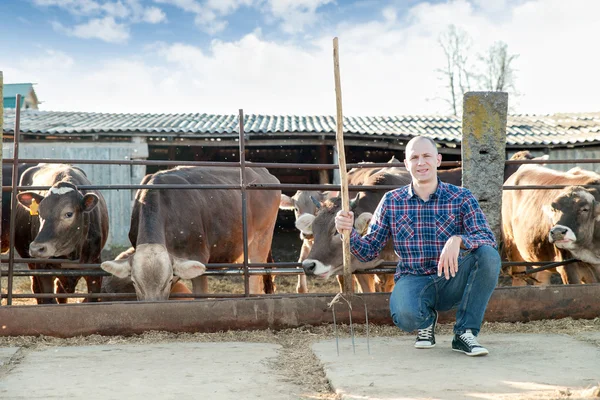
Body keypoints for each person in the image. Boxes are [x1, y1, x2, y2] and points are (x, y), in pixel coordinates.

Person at [335, 136, 501, 357]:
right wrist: (348, 233)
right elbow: (369, 250)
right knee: (405, 316)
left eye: (426, 156)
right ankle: (425, 322)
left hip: (452, 277)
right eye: (414, 157)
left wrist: (458, 240)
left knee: (488, 255)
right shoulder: (391, 201)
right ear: (406, 164)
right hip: (413, 279)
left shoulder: (461, 197)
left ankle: (465, 333)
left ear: (438, 160)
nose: (421, 162)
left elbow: (486, 237)